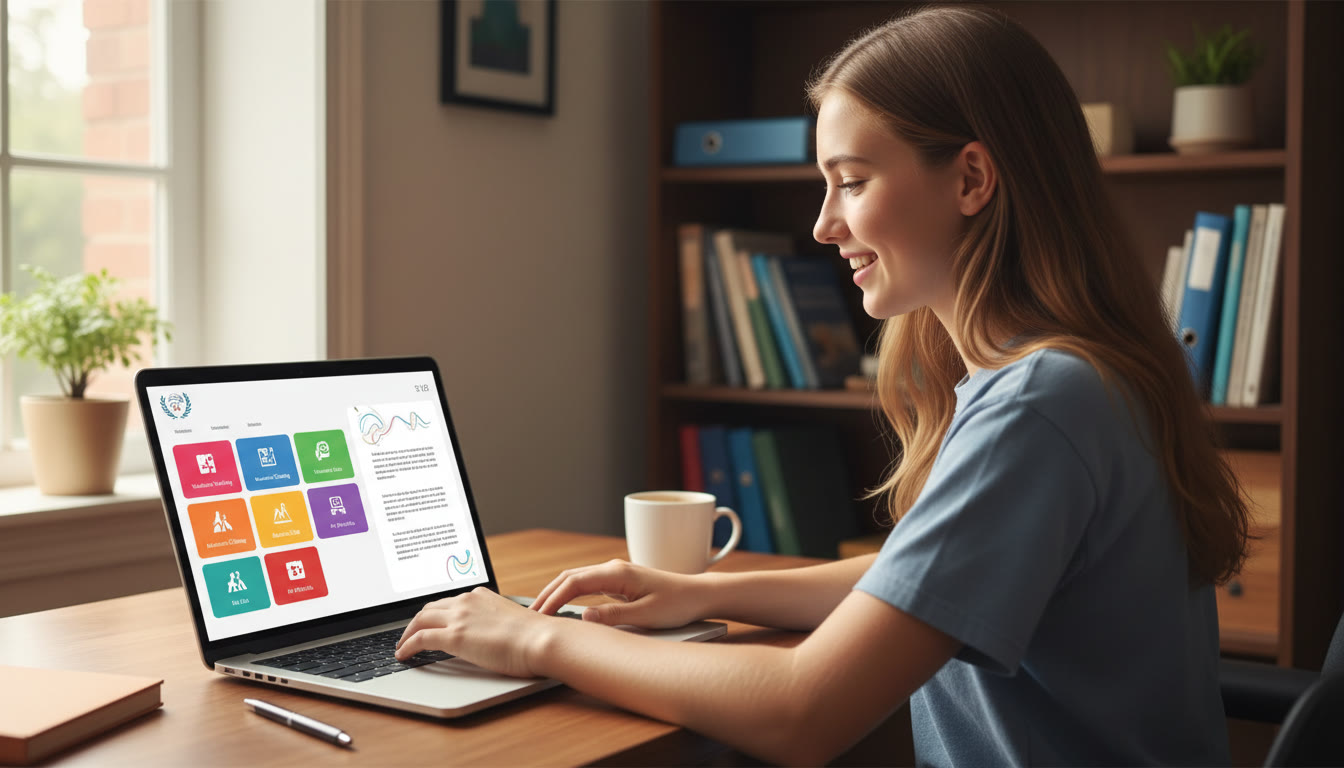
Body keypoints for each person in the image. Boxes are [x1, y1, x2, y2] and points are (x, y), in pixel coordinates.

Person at [395, 6, 1250, 765]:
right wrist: (697, 593)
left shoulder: (1038, 405)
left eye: (852, 180)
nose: (823, 222)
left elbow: (805, 712)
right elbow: (920, 583)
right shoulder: (1088, 371)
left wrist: (536, 641)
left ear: (971, 180)